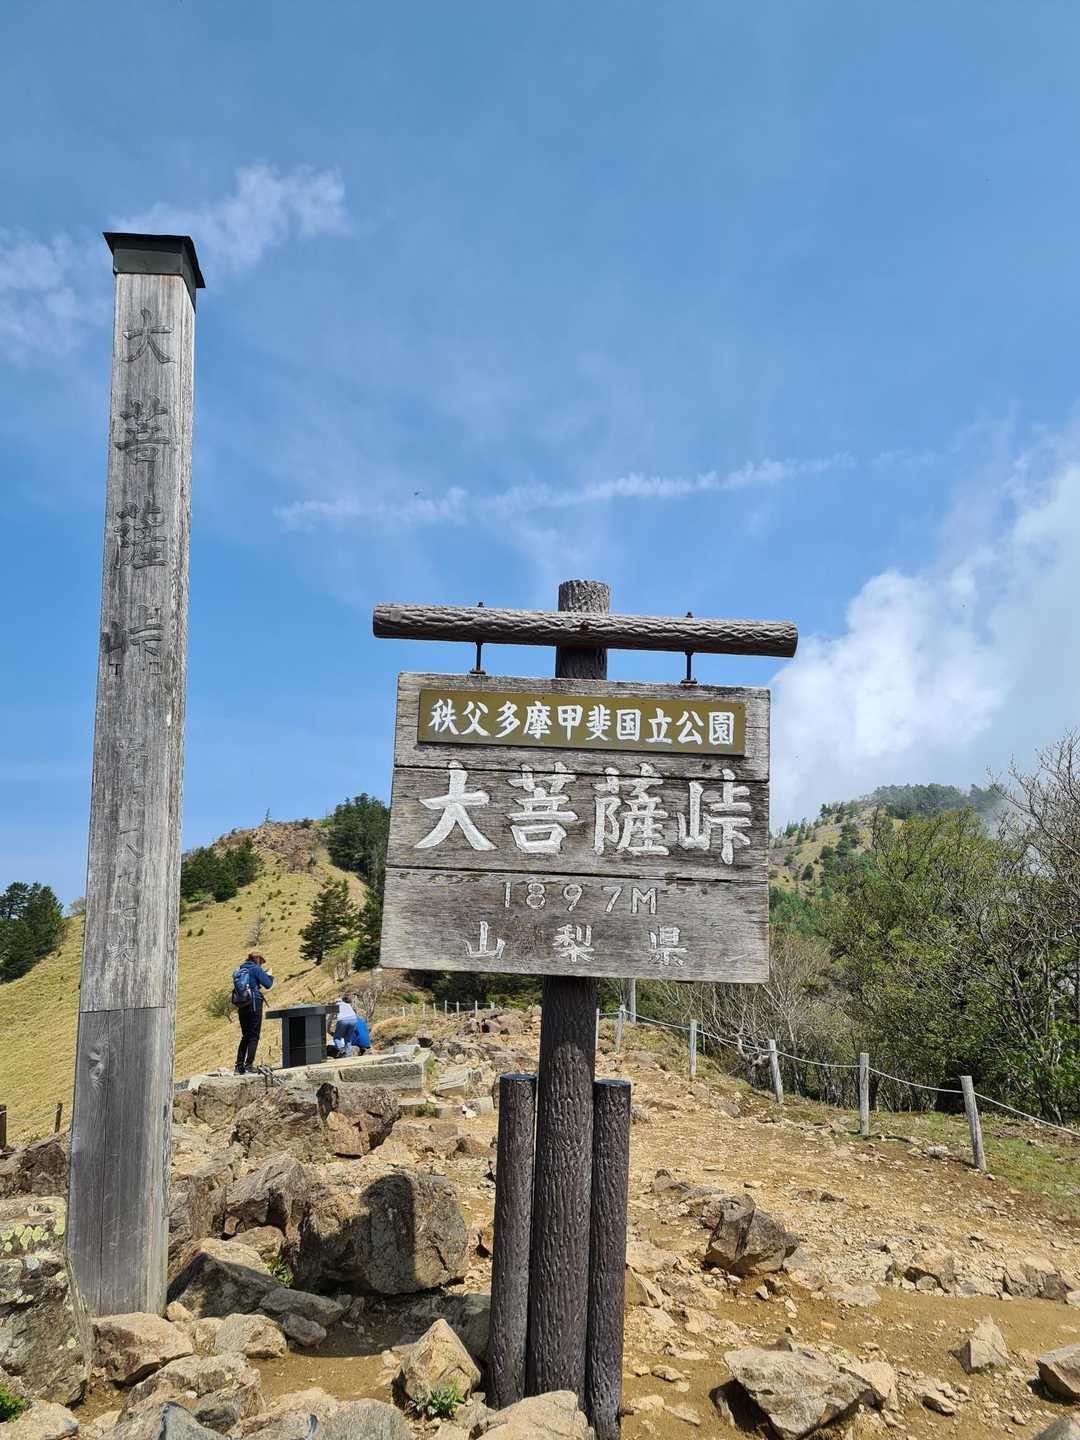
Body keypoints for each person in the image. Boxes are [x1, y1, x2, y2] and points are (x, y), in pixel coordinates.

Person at [233, 952, 274, 1073]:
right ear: (258, 960)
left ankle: (238, 1066)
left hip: (242, 1004)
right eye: (262, 962)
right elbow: (268, 984)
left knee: (245, 1035)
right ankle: (249, 1066)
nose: (262, 964)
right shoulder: (256, 969)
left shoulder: (241, 970)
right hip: (254, 1003)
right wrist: (269, 975)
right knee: (254, 1035)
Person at [330, 992, 371, 1057]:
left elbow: (331, 1018)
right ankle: (348, 1054)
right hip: (353, 1019)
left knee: (336, 1037)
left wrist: (329, 1028)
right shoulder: (347, 1004)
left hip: (343, 1020)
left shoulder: (335, 1006)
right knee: (348, 1038)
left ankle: (341, 1049)